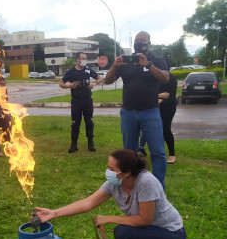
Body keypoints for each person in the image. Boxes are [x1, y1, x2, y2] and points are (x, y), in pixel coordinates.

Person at [35, 149, 187, 239]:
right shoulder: (114, 183)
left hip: (171, 232)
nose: (107, 171)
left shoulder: (146, 182)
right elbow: (88, 203)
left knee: (122, 232)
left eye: (111, 168)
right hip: (147, 232)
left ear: (126, 173)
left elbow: (144, 219)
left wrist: (110, 218)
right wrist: (54, 213)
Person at [104, 31, 169, 188]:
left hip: (150, 112)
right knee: (129, 153)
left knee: (158, 151)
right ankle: (132, 183)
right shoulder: (126, 61)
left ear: (149, 43)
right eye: (137, 41)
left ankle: (159, 185)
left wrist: (148, 64)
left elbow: (165, 78)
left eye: (143, 40)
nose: (139, 43)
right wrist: (114, 66)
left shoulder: (157, 60)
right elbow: (107, 81)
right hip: (128, 113)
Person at [60, 52, 102, 153]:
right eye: (83, 58)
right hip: (76, 101)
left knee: (89, 122)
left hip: (87, 100)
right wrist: (69, 86)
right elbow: (61, 83)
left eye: (85, 58)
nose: (84, 60)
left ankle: (90, 144)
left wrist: (94, 84)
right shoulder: (71, 72)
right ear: (77, 60)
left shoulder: (88, 70)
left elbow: (100, 78)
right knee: (75, 123)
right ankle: (73, 145)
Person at [138, 70, 178, 164]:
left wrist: (162, 100)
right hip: (153, 106)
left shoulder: (171, 78)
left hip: (168, 108)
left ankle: (172, 154)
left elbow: (171, 97)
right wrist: (160, 95)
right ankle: (144, 148)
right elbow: (146, 94)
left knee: (165, 129)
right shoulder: (151, 76)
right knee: (150, 129)